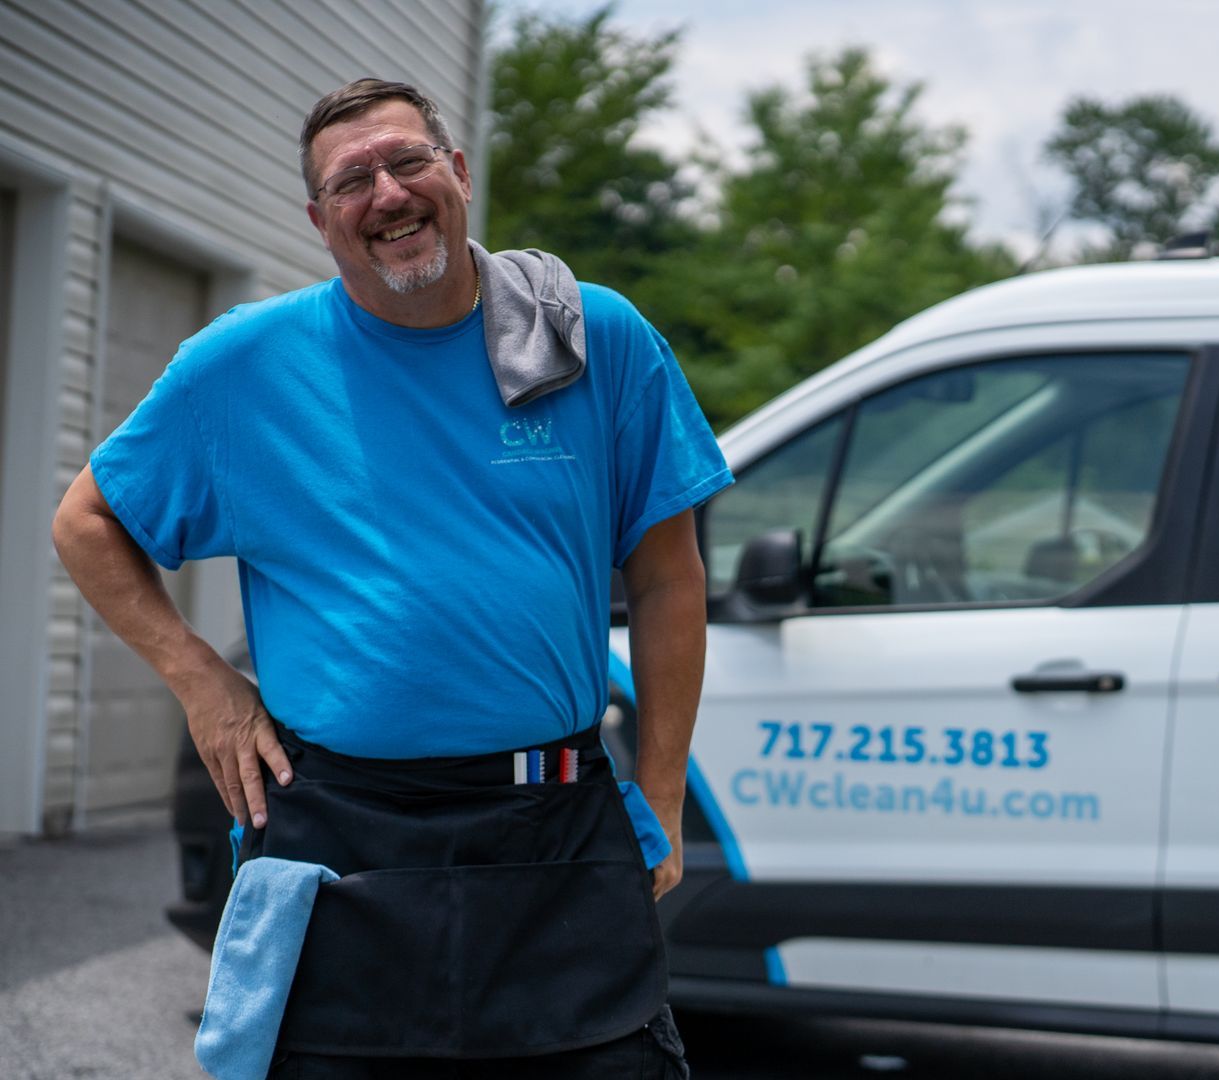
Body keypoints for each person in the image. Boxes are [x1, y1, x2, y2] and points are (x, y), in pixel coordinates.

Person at [50, 78, 730, 1077]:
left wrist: (663, 792)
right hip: (338, 834)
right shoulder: (241, 365)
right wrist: (203, 684)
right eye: (352, 180)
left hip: (555, 828)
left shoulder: (592, 339)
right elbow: (86, 523)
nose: (388, 193)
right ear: (320, 220)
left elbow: (671, 578)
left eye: (407, 161)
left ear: (456, 173)